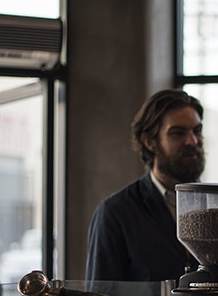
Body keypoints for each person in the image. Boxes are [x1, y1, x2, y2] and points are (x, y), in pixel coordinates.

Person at [85, 89, 204, 283]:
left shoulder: (217, 207)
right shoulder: (117, 213)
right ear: (150, 142)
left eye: (197, 131)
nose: (192, 141)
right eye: (177, 133)